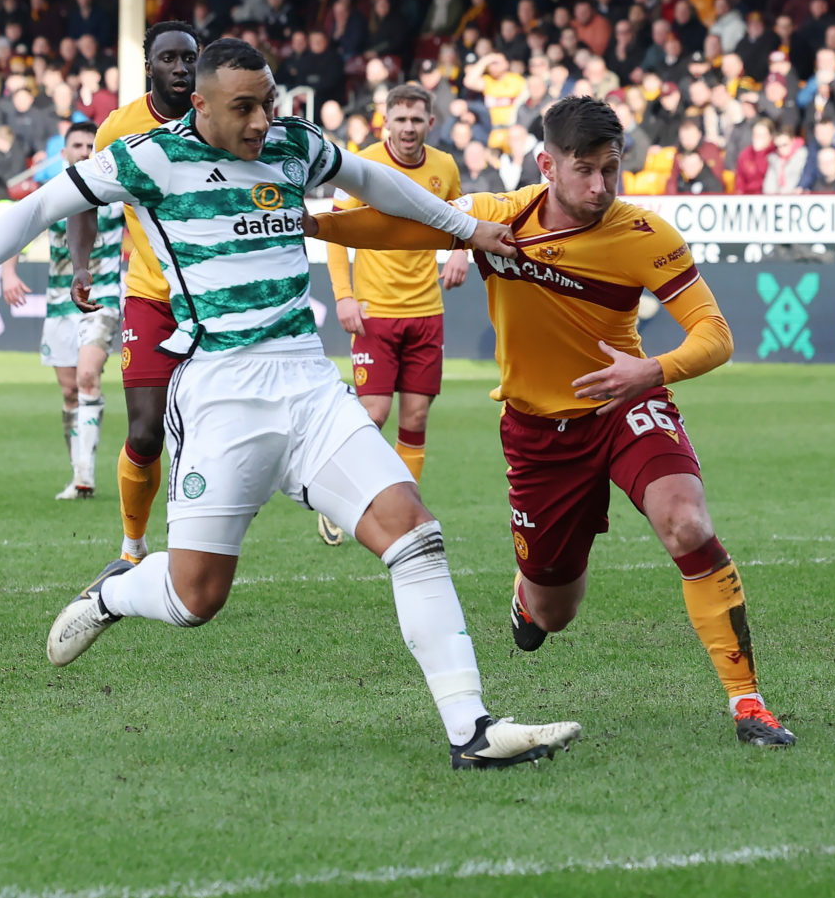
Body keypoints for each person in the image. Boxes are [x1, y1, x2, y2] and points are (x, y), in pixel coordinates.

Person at [0, 38, 581, 771]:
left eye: (268, 101)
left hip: (308, 383)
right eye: (244, 107)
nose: (263, 119)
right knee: (197, 596)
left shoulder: (294, 142)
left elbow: (372, 180)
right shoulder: (151, 158)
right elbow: (39, 203)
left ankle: (471, 731)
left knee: (414, 533)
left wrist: (466, 227)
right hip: (221, 393)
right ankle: (113, 596)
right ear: (199, 105)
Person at [317, 96, 796, 748]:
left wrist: (649, 371)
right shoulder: (495, 218)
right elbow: (394, 229)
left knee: (687, 523)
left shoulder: (643, 236)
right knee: (553, 611)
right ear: (547, 163)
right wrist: (307, 227)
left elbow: (715, 333)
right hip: (539, 433)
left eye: (611, 169)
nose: (600, 186)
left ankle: (749, 703)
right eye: (584, 170)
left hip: (626, 405)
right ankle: (528, 593)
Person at [66, 22, 200, 564]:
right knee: (145, 433)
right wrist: (82, 266)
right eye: (168, 58)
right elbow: (82, 200)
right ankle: (133, 547)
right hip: (149, 297)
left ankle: (194, 547)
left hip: (212, 298)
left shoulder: (217, 114)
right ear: (149, 65)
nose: (180, 67)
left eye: (189, 57)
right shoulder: (119, 128)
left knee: (206, 433)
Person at [318, 84, 469, 546]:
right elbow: (336, 234)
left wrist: (461, 249)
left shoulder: (444, 167)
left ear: (430, 123)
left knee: (417, 417)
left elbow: (461, 213)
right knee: (375, 411)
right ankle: (337, 497)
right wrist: (343, 295)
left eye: (416, 120)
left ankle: (405, 510)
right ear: (387, 121)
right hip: (374, 310)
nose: (408, 128)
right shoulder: (362, 164)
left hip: (426, 309)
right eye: (400, 119)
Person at [0, 122, 123, 499]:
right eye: (78, 145)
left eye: (92, 145)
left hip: (103, 300)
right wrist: (8, 272)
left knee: (88, 377)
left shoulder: (118, 193)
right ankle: (77, 474)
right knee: (70, 392)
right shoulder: (53, 194)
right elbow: (20, 227)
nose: (85, 150)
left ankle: (85, 477)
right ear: (64, 152)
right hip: (58, 304)